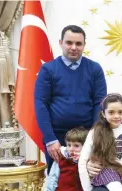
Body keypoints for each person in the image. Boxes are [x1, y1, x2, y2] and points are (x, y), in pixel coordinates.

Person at [34, 25, 107, 172]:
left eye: (78, 44)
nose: (74, 47)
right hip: (57, 139)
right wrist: (49, 139)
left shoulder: (95, 69)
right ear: (61, 43)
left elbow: (100, 104)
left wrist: (92, 139)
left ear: (84, 45)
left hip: (86, 137)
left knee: (87, 186)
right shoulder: (48, 69)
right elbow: (41, 104)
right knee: (59, 186)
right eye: (69, 43)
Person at [78, 93, 122, 191]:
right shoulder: (95, 132)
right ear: (103, 114)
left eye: (120, 112)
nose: (116, 116)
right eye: (111, 112)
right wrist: (87, 190)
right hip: (105, 170)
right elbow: (82, 161)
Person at [45, 127, 88, 191]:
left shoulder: (87, 160)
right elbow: (53, 176)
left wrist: (82, 159)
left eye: (76, 146)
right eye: (69, 145)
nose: (71, 149)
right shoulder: (60, 158)